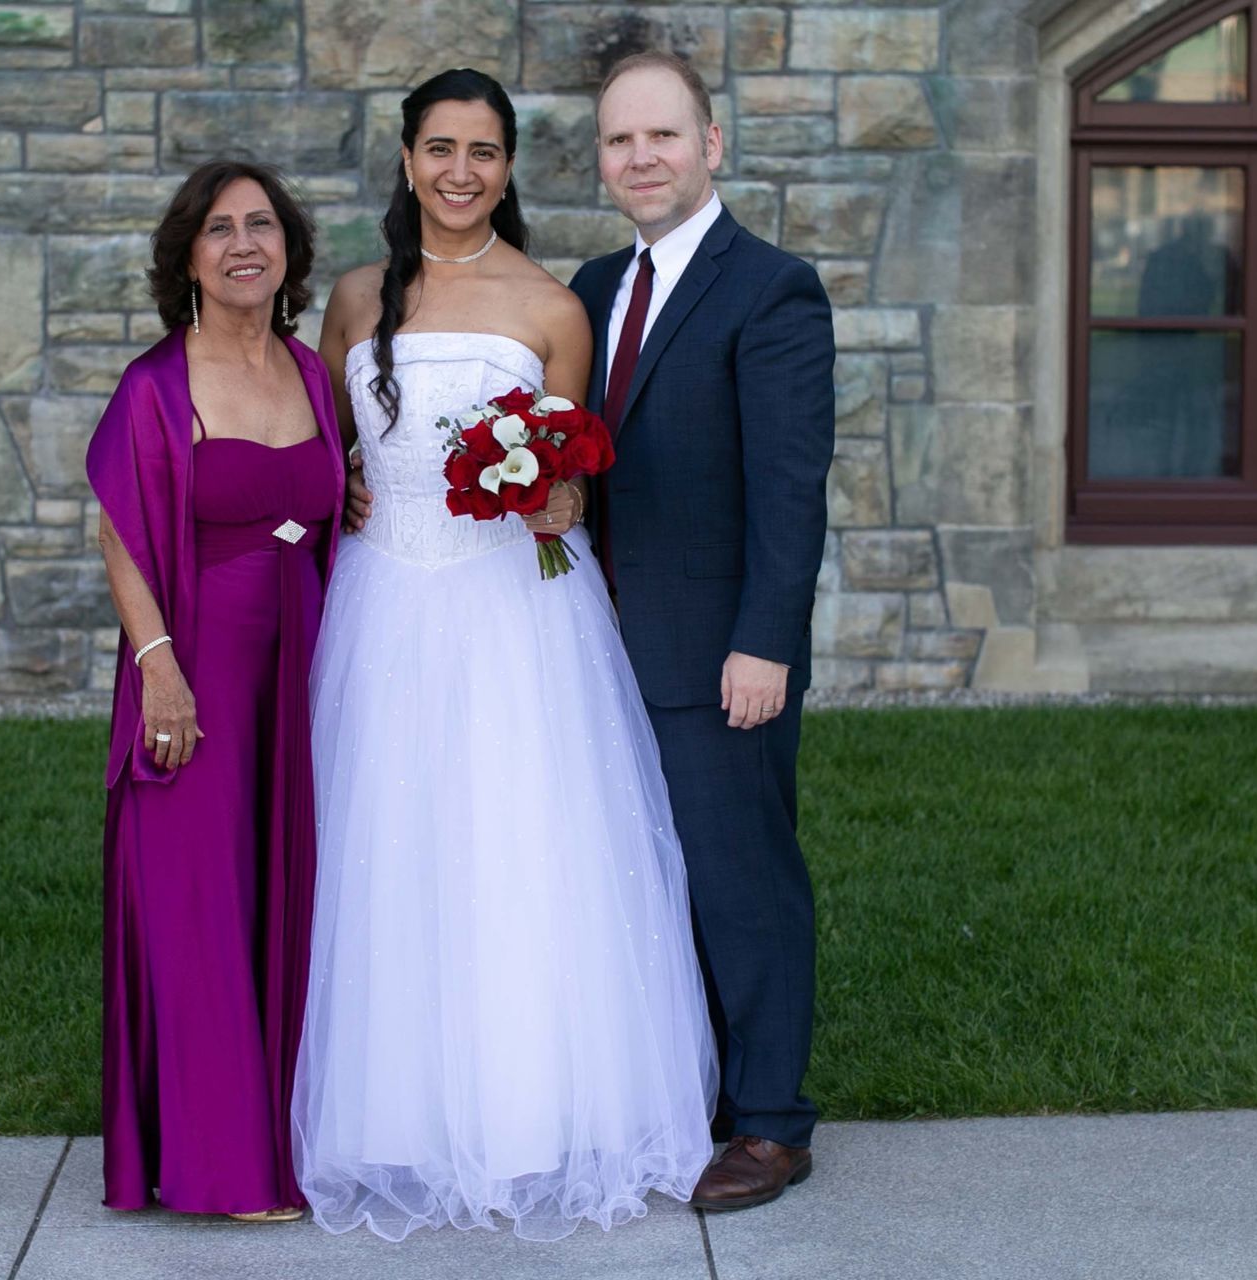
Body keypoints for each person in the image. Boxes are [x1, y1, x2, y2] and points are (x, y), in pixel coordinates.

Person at [293, 68, 717, 1241]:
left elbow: (570, 473)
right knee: (391, 848)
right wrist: (340, 487)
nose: (460, 172)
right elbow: (332, 453)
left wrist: (555, 500)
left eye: (484, 151)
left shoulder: (551, 308)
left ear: (512, 165)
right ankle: (396, 1117)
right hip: (386, 606)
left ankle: (529, 1112)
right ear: (408, 156)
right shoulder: (358, 296)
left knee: (518, 846)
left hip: (515, 616)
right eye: (440, 148)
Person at [568, 50, 835, 1210]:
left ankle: (772, 1120)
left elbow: (791, 487)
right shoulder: (589, 288)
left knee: (740, 878)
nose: (643, 158)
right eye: (622, 141)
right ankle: (696, 1088)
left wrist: (764, 641)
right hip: (599, 646)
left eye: (663, 136)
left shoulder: (770, 287)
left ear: (711, 145)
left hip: (720, 650)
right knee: (643, 880)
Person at [87, 159, 345, 1221]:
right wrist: (159, 671)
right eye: (221, 228)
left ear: (288, 249)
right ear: (186, 254)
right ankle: (220, 1166)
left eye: (264, 225)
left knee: (288, 895)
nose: (246, 243)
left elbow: (337, 509)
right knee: (198, 905)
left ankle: (291, 1137)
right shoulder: (157, 383)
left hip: (307, 661)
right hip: (198, 667)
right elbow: (122, 532)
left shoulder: (308, 371)